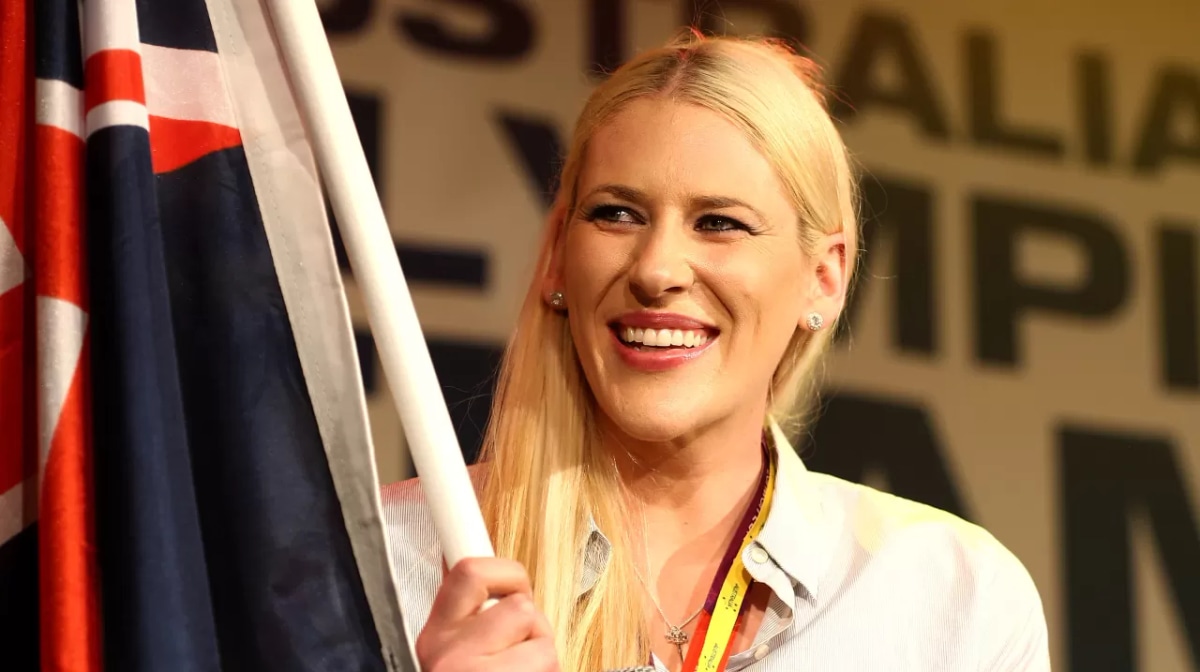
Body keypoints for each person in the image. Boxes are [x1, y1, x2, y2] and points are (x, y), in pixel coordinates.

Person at [382, 30, 1050, 672]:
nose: (656, 268)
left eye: (719, 223)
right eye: (617, 213)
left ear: (826, 276)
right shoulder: (376, 560)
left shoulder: (953, 597)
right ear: (558, 255)